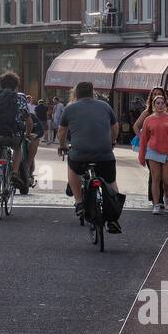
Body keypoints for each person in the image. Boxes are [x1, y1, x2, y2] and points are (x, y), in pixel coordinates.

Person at [57, 81, 123, 231]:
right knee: (111, 180)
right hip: (104, 154)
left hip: (80, 154)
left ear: (76, 93)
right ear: (92, 92)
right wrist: (112, 141)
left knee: (72, 168)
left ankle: (79, 202)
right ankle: (113, 217)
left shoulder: (70, 108)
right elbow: (115, 127)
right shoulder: (105, 106)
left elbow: (62, 131)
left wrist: (62, 145)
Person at [0, 71, 33, 207]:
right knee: (18, 148)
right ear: (16, 85)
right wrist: (28, 133)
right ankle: (15, 173)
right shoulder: (20, 98)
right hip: (13, 135)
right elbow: (28, 120)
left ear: (1, 84)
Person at [138, 93, 168, 214]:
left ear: (165, 105)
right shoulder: (148, 119)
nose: (160, 105)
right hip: (152, 152)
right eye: (158, 103)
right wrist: (141, 156)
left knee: (166, 180)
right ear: (154, 105)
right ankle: (156, 204)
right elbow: (144, 139)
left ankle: (166, 196)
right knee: (156, 178)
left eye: (163, 103)